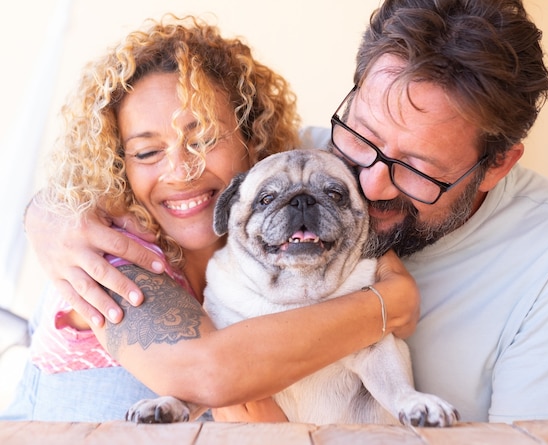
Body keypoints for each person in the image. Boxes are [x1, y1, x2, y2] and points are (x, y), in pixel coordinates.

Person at [20, 0, 548, 424]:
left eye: (416, 167)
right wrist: (49, 215)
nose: (369, 181)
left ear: (496, 165)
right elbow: (166, 177)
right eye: (360, 134)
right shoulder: (302, 163)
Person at [3, 14, 418, 422]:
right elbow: (211, 375)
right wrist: (391, 303)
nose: (181, 171)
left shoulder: (283, 230)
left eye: (203, 140)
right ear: (119, 167)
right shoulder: (111, 255)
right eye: (147, 152)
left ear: (253, 140)